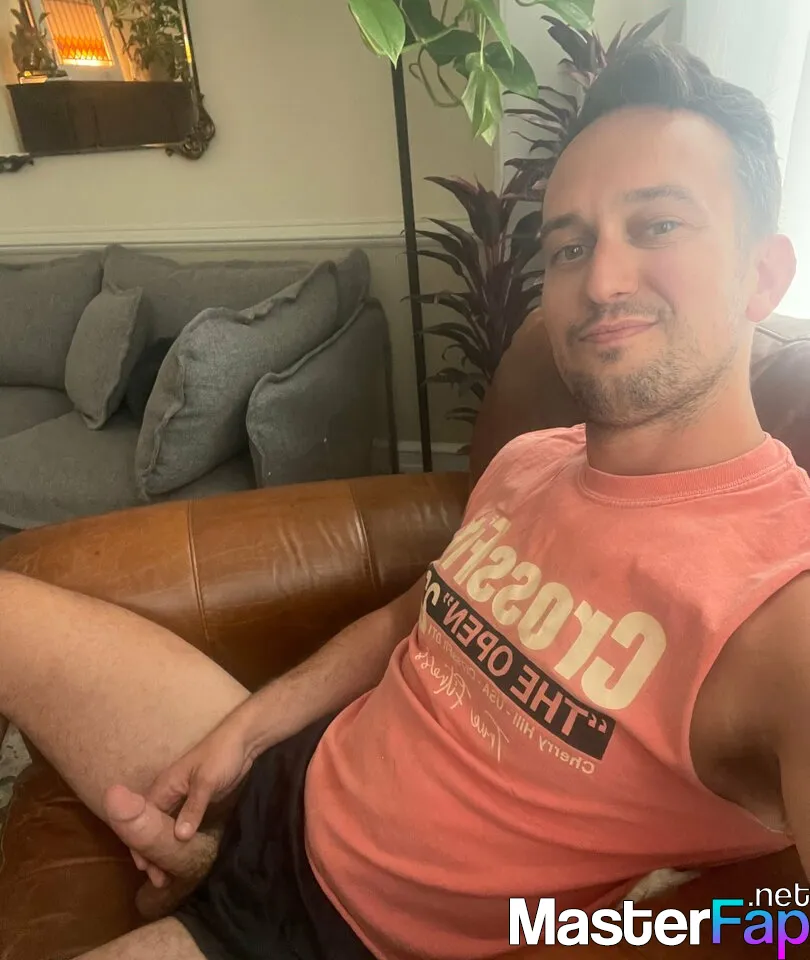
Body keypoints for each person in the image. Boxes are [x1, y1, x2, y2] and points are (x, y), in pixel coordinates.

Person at [1, 39, 809, 960]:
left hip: (325, 939)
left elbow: (778, 922)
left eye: (658, 225)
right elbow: (418, 611)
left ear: (763, 274)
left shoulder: (781, 607)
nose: (602, 280)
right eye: (571, 245)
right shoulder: (531, 462)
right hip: (285, 778)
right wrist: (246, 734)